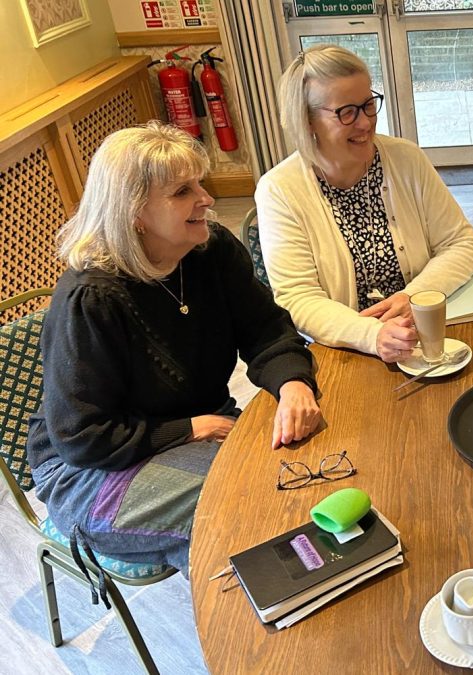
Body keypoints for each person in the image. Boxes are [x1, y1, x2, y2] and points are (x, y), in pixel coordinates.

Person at [27, 122, 322, 576]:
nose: (206, 199)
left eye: (199, 184)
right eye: (183, 191)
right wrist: (189, 428)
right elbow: (81, 436)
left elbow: (265, 329)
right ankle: (257, 632)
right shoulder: (91, 298)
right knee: (230, 518)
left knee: (294, 478)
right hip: (90, 470)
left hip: (191, 427)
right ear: (135, 213)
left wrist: (293, 383)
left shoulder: (211, 251)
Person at [256, 44, 473, 362]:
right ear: (307, 121)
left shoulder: (406, 159)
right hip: (347, 349)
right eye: (346, 112)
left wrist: (413, 296)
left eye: (368, 105)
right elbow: (298, 297)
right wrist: (372, 336)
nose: (365, 123)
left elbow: (462, 243)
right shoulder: (279, 189)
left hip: (427, 331)